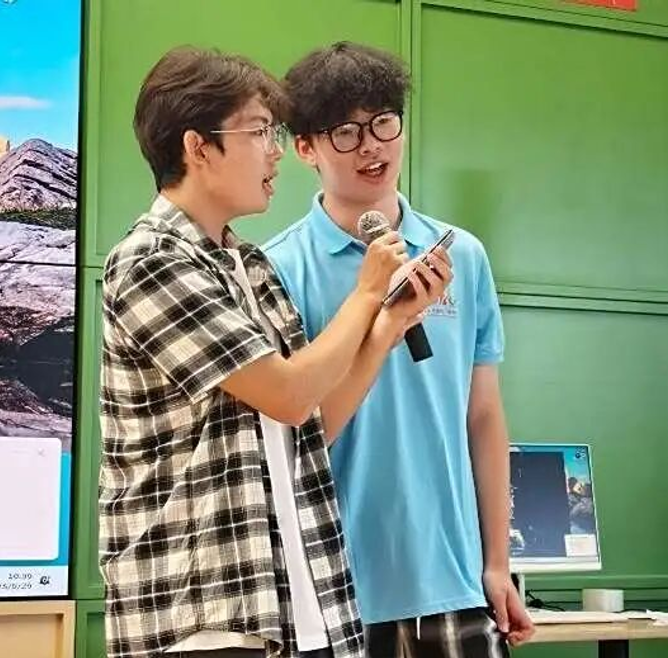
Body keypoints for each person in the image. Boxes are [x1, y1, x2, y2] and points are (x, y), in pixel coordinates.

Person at [98, 46, 451, 658]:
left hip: (293, 604)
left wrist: (388, 326)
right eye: (260, 132)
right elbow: (287, 393)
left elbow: (310, 423)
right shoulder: (150, 261)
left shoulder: (250, 265)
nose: (276, 151)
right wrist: (368, 292)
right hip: (199, 615)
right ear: (198, 147)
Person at [264, 42, 535, 657]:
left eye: (384, 122)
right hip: (331, 584)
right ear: (305, 148)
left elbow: (484, 416)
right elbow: (291, 434)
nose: (372, 146)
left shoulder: (460, 255)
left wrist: (497, 563)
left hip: (454, 579)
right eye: (346, 132)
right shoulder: (277, 268)